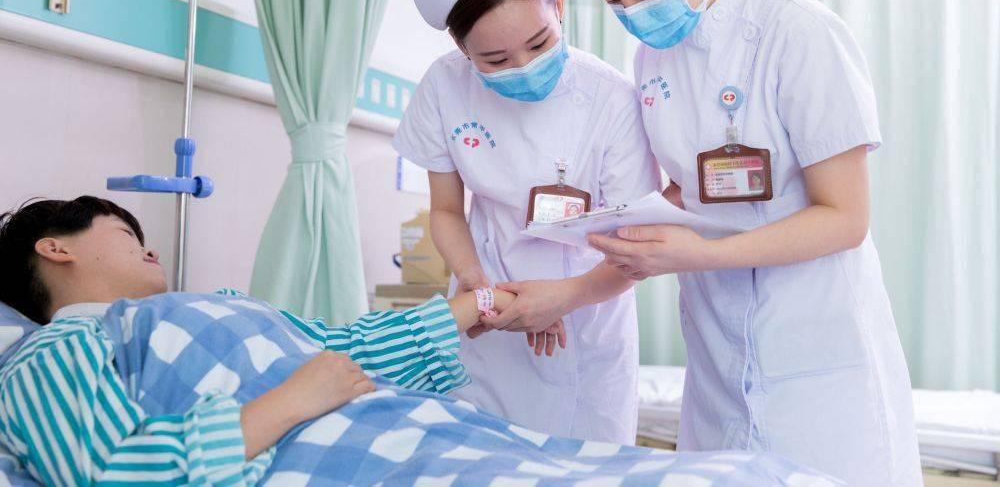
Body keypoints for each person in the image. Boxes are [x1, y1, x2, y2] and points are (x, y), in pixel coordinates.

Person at [0, 196, 834, 486]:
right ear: (55, 248)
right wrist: (293, 400)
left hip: (416, 430)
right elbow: (107, 471)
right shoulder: (48, 354)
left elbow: (342, 348)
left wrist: (479, 305)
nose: (149, 248)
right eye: (126, 232)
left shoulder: (210, 305)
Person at [572, 0, 921, 486]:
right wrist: (630, 226)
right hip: (716, 359)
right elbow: (692, 187)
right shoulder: (653, 59)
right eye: (611, 0)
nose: (629, 14)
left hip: (817, 359)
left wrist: (694, 254)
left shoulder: (797, 33)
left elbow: (845, 218)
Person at [394, 0, 661, 443]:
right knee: (484, 459)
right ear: (462, 51)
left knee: (583, 468)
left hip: (586, 320)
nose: (522, 66)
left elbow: (637, 247)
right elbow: (446, 210)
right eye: (495, 59)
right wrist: (476, 285)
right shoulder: (445, 87)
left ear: (559, 6)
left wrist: (567, 297)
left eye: (539, 44)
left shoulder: (611, 100)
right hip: (490, 316)